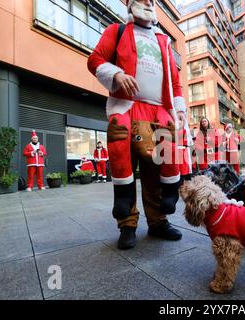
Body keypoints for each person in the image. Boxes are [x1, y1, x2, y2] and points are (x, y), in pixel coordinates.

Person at [87, 0, 187, 249]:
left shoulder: (164, 41)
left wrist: (181, 109)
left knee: (158, 165)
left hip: (160, 111)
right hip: (128, 107)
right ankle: (127, 224)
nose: (148, 3)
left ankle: (158, 222)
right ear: (130, 4)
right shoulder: (117, 31)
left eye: (151, 0)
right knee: (124, 163)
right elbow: (95, 60)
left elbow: (175, 82)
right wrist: (117, 75)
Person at [176, 111, 193, 182]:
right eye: (178, 119)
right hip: (176, 152)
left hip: (184, 152)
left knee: (184, 170)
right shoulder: (174, 129)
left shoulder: (185, 130)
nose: (180, 122)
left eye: (181, 120)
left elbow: (189, 143)